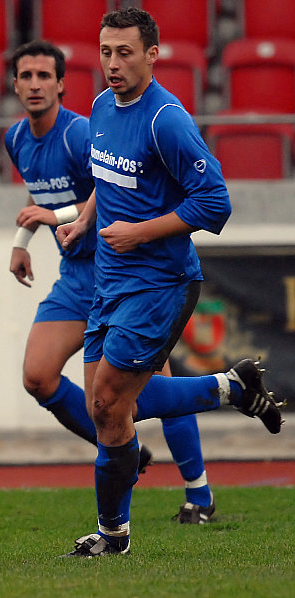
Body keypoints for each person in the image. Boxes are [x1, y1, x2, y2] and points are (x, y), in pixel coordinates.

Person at [55, 7, 283, 557]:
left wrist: (140, 233)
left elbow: (214, 202)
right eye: (106, 51)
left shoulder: (167, 120)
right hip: (109, 280)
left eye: (125, 52)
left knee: (110, 401)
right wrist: (86, 218)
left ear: (153, 54)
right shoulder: (102, 106)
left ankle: (115, 539)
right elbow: (108, 177)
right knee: (104, 409)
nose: (112, 63)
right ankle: (231, 388)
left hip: (162, 281)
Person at [6, 39, 219, 523]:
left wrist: (54, 215)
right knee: (39, 377)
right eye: (26, 76)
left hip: (122, 270)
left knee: (151, 386)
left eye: (45, 76)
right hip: (75, 276)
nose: (35, 85)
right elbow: (46, 195)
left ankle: (198, 491)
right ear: (14, 85)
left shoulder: (80, 132)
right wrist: (24, 237)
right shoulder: (16, 139)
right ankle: (126, 450)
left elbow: (106, 191)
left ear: (62, 84)